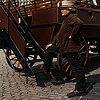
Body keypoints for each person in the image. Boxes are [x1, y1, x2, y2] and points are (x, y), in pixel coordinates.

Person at [41, 0, 87, 98]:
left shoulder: (72, 17)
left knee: (77, 68)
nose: (61, 11)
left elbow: (79, 23)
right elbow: (60, 34)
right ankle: (46, 69)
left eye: (63, 9)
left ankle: (81, 89)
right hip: (63, 45)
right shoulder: (66, 18)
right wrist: (52, 43)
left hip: (70, 48)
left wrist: (73, 36)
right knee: (49, 50)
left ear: (69, 10)